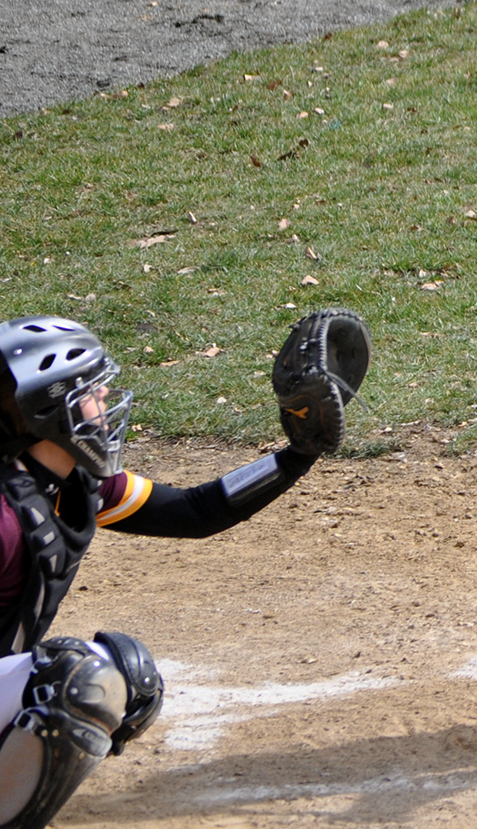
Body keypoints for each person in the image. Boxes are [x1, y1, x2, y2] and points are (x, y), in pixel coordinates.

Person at [0, 312, 366, 828]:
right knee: (78, 679)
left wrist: (297, 456)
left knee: (129, 680)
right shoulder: (5, 521)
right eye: (93, 392)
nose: (106, 404)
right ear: (47, 408)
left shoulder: (73, 484)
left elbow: (193, 512)